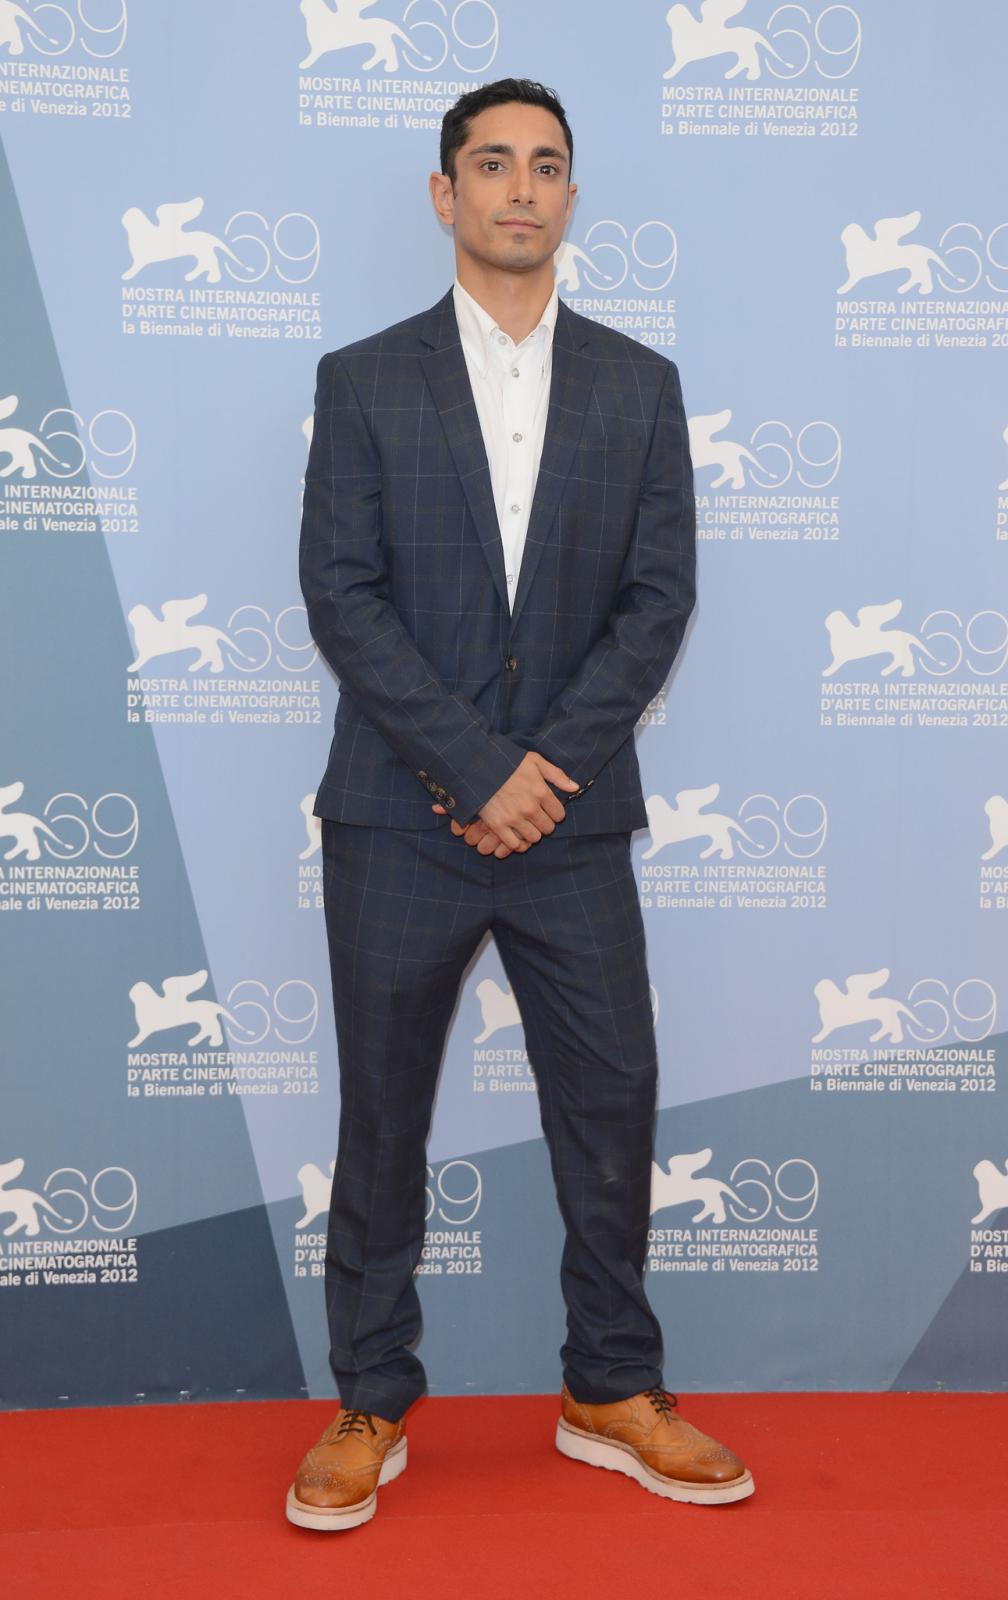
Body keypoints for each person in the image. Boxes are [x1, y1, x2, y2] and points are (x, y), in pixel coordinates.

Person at [287, 77, 753, 1530]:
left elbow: (658, 599)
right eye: (493, 164)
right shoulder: (363, 379)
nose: (522, 188)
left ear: (571, 195)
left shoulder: (639, 385)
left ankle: (611, 1387)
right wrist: (475, 766)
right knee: (382, 1115)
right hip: (395, 819)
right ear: (447, 194)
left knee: (612, 1103)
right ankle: (369, 1400)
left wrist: (541, 769)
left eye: (547, 165)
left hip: (573, 823)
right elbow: (342, 597)